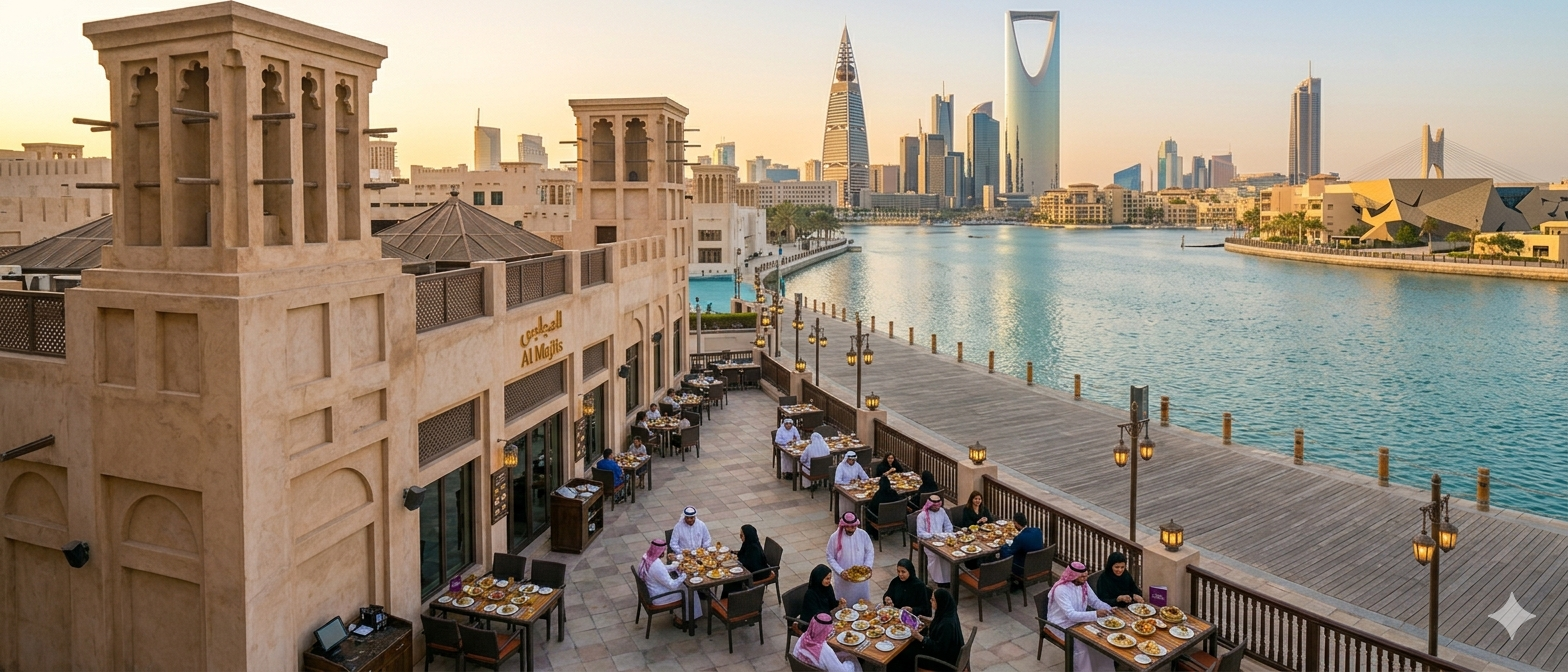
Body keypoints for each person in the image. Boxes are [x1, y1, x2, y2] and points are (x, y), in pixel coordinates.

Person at [1047, 561, 1114, 672]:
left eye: (1086, 575)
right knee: (1082, 646)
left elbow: (1095, 601)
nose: (1085, 578)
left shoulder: (1083, 584)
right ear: (1073, 576)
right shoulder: (1061, 590)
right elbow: (1071, 615)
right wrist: (1095, 614)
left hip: (1080, 621)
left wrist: (1109, 609)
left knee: (1101, 640)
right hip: (1061, 624)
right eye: (1082, 576)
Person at [640, 540, 701, 624]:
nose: (664, 552)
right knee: (688, 590)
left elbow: (661, 569)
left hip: (652, 590)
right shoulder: (656, 565)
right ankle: (684, 619)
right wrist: (684, 575)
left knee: (683, 587)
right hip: (659, 597)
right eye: (663, 550)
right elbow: (672, 585)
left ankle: (685, 616)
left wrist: (674, 567)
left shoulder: (647, 556)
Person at [825, 512, 875, 605]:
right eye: (849, 527)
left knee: (863, 606)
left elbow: (870, 552)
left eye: (854, 526)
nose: (851, 529)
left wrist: (867, 567)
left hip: (861, 580)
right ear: (843, 525)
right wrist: (841, 572)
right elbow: (830, 556)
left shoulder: (863, 534)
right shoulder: (834, 537)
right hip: (844, 581)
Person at [911, 588, 964, 671]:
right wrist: (926, 619)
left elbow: (938, 649)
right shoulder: (948, 611)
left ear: (940, 602)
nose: (930, 601)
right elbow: (939, 623)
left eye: (933, 600)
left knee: (908, 655)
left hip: (943, 662)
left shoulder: (947, 625)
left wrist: (919, 637)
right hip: (948, 653)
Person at [793, 613, 862, 672]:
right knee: (852, 657)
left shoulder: (802, 638)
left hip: (802, 669)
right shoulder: (823, 650)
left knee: (842, 655)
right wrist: (851, 661)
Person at [915, 494, 954, 587]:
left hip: (942, 539)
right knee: (937, 556)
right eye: (934, 505)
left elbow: (949, 526)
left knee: (950, 554)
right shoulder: (922, 515)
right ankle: (939, 580)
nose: (936, 508)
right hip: (928, 542)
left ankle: (948, 579)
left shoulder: (942, 512)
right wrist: (934, 536)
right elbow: (920, 533)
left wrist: (946, 535)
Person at [724, 524, 770, 598]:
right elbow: (742, 555)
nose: (740, 538)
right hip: (750, 570)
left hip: (757, 574)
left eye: (742, 535)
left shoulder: (754, 549)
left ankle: (733, 600)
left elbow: (749, 565)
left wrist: (737, 561)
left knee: (731, 580)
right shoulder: (748, 544)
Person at [862, 474, 902, 539]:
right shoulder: (894, 493)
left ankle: (873, 533)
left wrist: (866, 508)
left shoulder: (878, 495)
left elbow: (872, 507)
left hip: (880, 519)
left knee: (868, 511)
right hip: (894, 517)